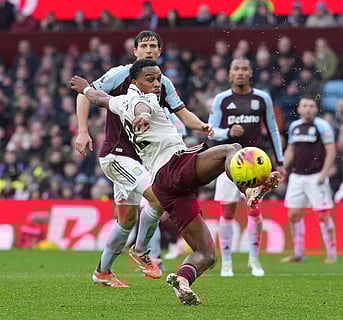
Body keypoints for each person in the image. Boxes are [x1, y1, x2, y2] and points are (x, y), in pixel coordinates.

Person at [70, 58, 281, 304]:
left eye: (159, 78)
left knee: (206, 253)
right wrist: (145, 116)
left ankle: (181, 281)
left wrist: (85, 88)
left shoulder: (119, 101)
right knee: (231, 148)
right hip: (175, 166)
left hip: (166, 187)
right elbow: (142, 108)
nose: (157, 84)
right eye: (150, 79)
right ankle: (249, 190)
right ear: (134, 81)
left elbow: (99, 99)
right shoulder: (143, 100)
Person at [75, 31, 175, 287]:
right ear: (135, 51)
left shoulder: (158, 84)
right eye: (144, 46)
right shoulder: (121, 73)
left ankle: (102, 273)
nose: (149, 50)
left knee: (126, 220)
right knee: (158, 196)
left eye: (154, 45)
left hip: (135, 160)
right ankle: (142, 251)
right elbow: (86, 94)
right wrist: (83, 131)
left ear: (160, 51)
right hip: (117, 156)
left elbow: (171, 114)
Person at [208, 57, 284, 277]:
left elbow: (273, 130)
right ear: (230, 74)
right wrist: (228, 133)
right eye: (236, 69)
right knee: (228, 211)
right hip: (228, 166)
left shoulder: (262, 98)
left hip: (257, 167)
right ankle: (227, 263)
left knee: (254, 209)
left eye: (244, 69)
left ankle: (254, 258)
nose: (240, 72)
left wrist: (279, 162)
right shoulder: (221, 100)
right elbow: (211, 130)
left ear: (250, 73)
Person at [281, 97, 337, 264]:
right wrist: (282, 167)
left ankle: (331, 253)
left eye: (311, 106)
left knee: (322, 214)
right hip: (297, 176)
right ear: (299, 109)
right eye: (304, 106)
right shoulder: (294, 127)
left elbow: (331, 150)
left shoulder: (322, 126)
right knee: (293, 215)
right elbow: (290, 149)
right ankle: (298, 253)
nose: (308, 109)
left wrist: (324, 173)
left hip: (316, 176)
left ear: (316, 109)